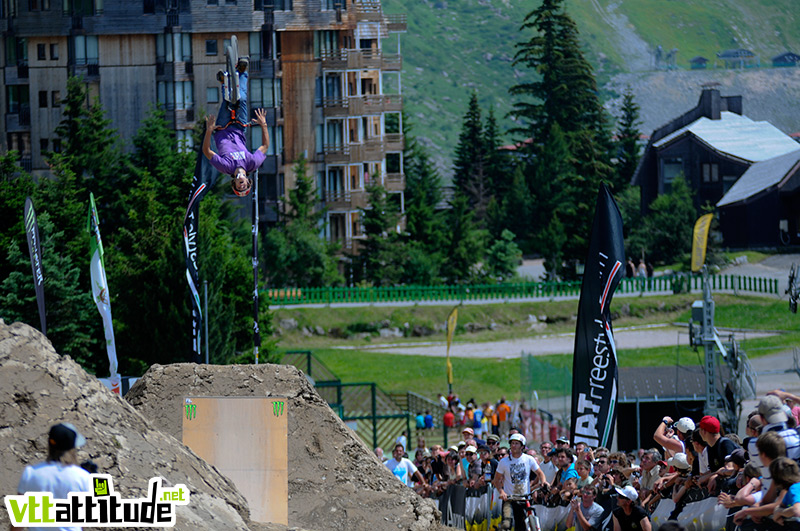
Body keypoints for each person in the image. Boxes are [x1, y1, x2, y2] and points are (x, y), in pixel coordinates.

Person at [202, 53, 270, 197]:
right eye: (244, 185)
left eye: (239, 187)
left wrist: (209, 130)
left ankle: (223, 83)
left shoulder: (225, 167)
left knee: (227, 101)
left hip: (222, 128)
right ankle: (242, 71)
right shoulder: (252, 163)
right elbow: (264, 147)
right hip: (239, 127)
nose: (241, 184)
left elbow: (207, 151)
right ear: (247, 180)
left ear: (234, 183)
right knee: (243, 100)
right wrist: (263, 125)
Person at [15, 423, 93, 531]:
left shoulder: (31, 473)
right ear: (72, 448)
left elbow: (18, 521)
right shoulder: (83, 477)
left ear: (49, 444)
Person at [494, 433, 548, 531]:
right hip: (509, 499)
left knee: (522, 526)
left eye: (516, 443)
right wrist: (501, 492)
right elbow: (496, 480)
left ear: (522, 446)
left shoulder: (528, 459)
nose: (514, 446)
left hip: (524, 498)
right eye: (512, 443)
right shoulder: (504, 462)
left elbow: (540, 473)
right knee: (507, 524)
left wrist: (544, 482)